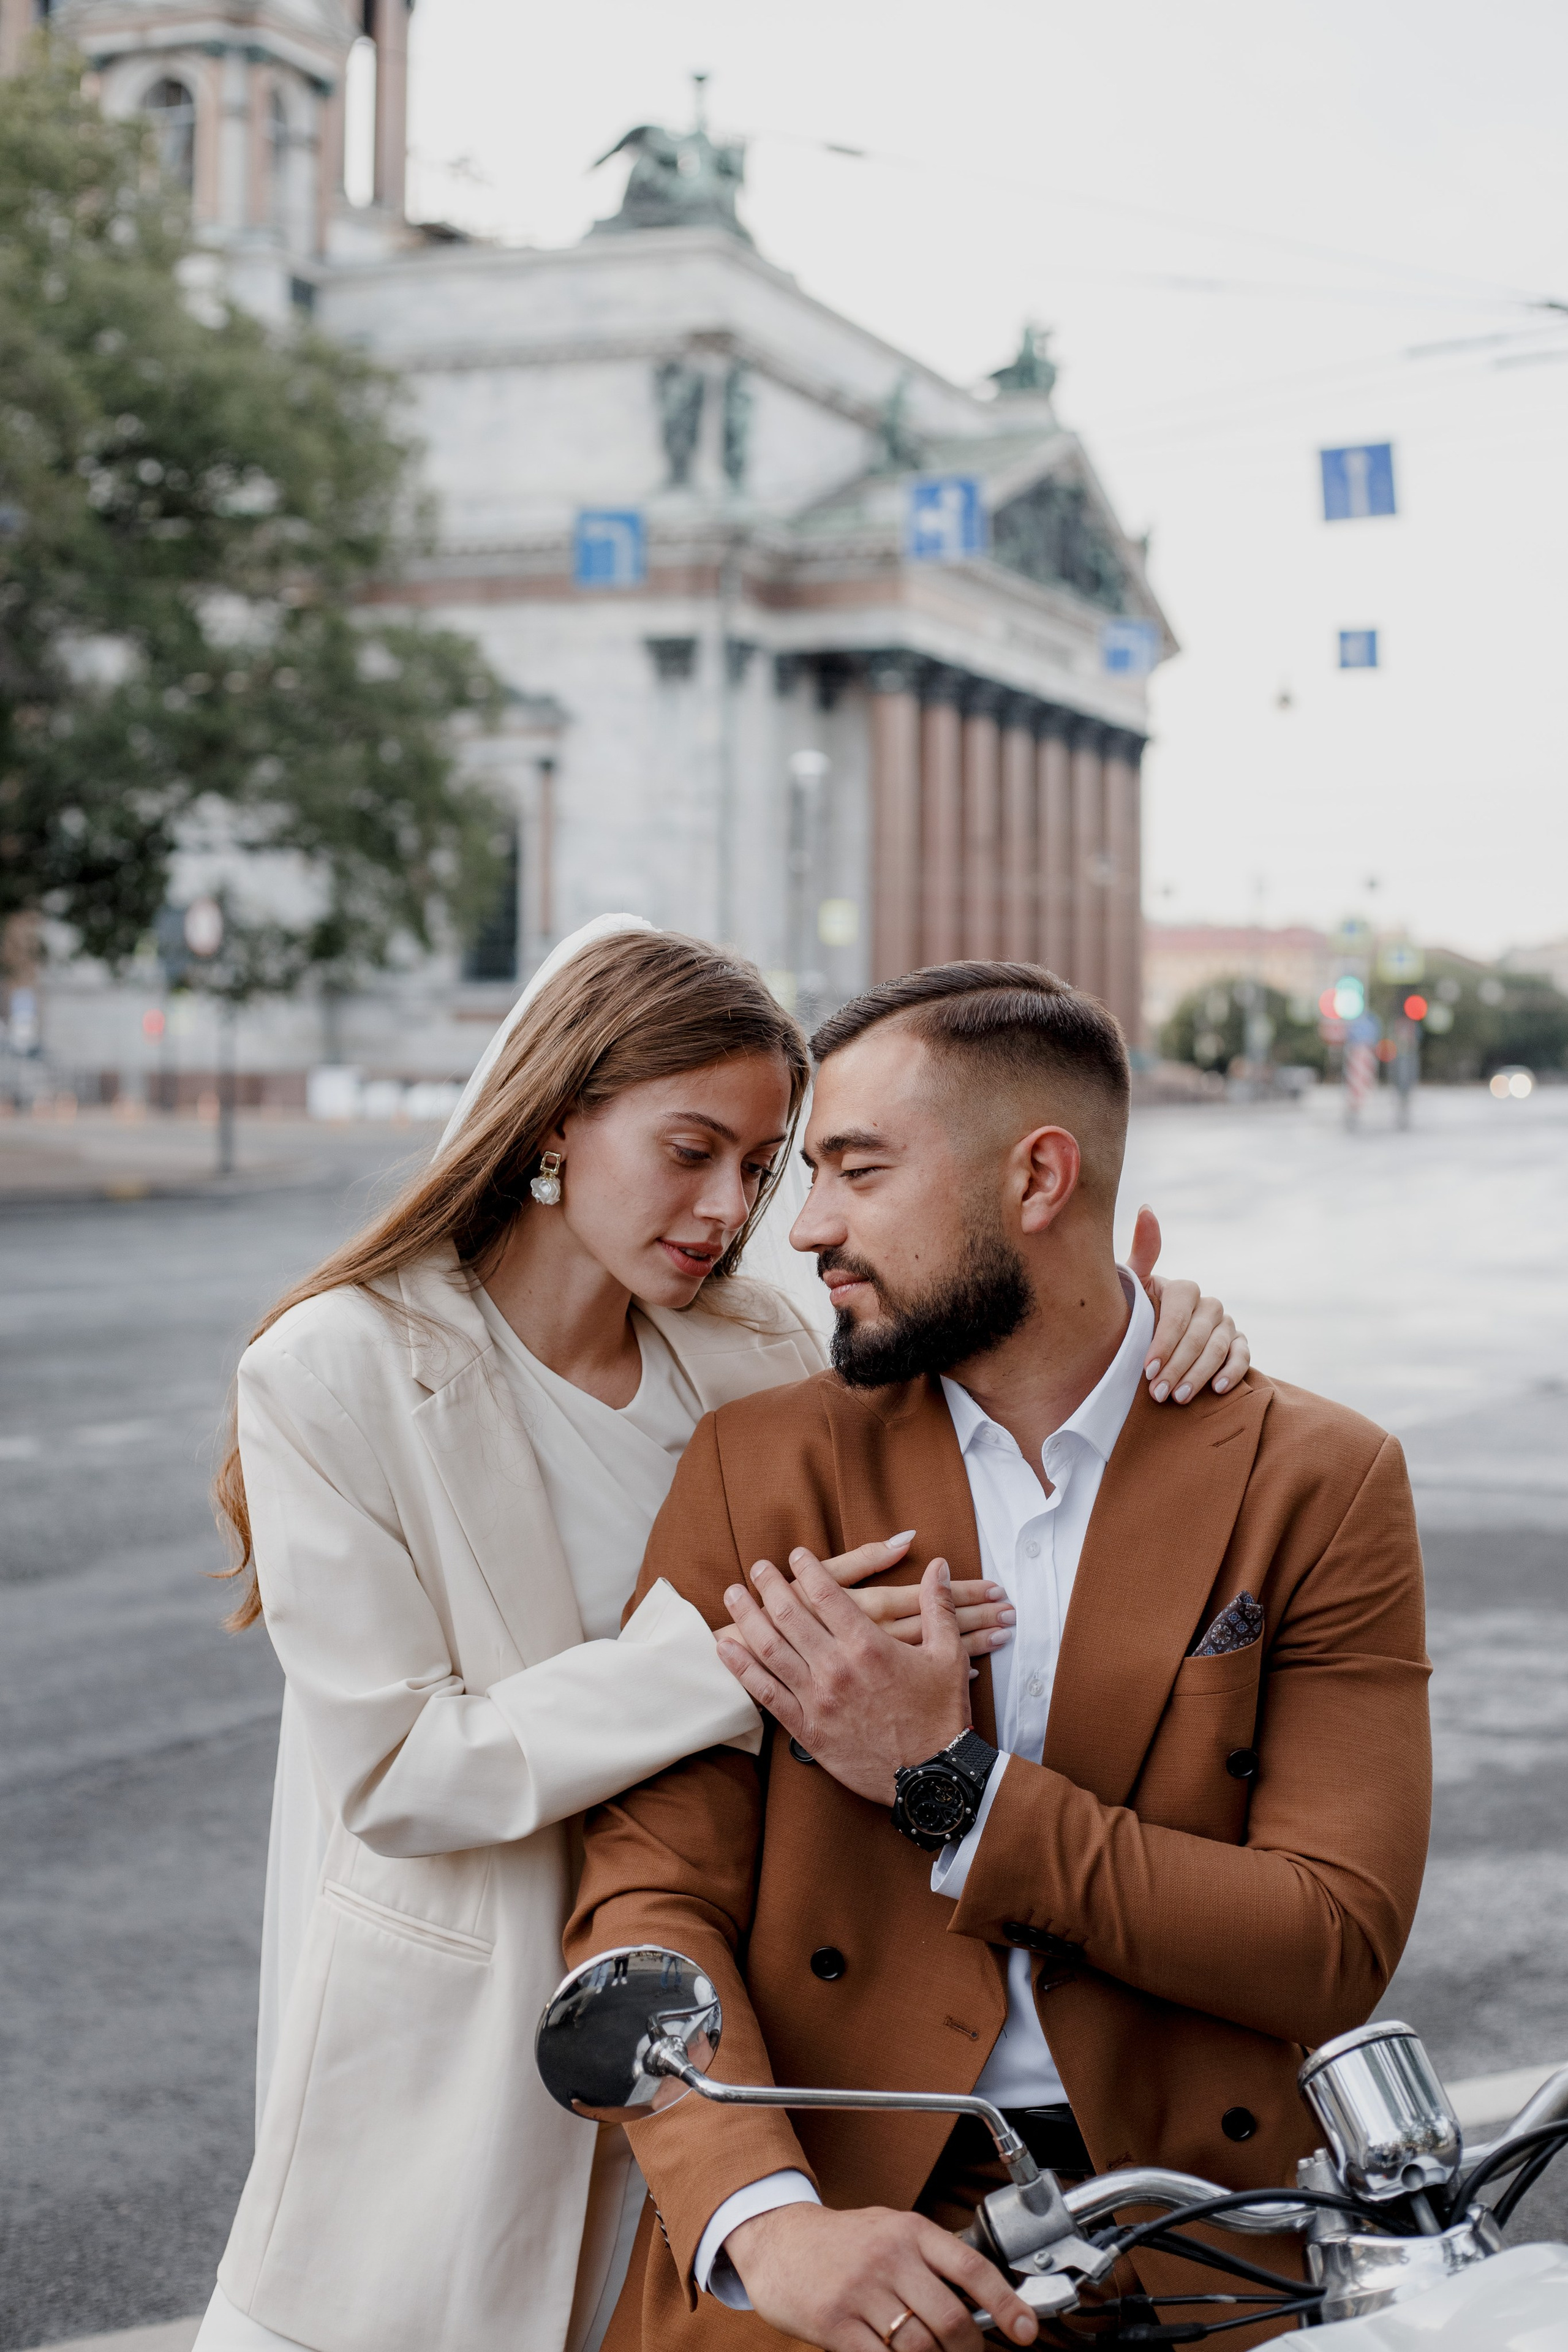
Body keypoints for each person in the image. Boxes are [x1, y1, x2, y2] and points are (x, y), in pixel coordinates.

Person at [195, 922, 1243, 2352]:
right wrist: (736, 1662)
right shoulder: (334, 1369)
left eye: (758, 1166)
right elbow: (401, 1772)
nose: (726, 1207)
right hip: (468, 2025)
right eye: (689, 1152)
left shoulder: (750, 1351)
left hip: (721, 2026)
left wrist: (1157, 1322)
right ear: (556, 1120)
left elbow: (1000, 1370)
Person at [566, 960, 1431, 2352]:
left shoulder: (1315, 1479)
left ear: (1037, 1179)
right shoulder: (761, 1465)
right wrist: (765, 2222)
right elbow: (646, 1897)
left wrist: (949, 1786)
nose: (807, 1226)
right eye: (811, 1174)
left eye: (857, 1170)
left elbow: (1327, 1943)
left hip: (1190, 2238)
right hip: (829, 2221)